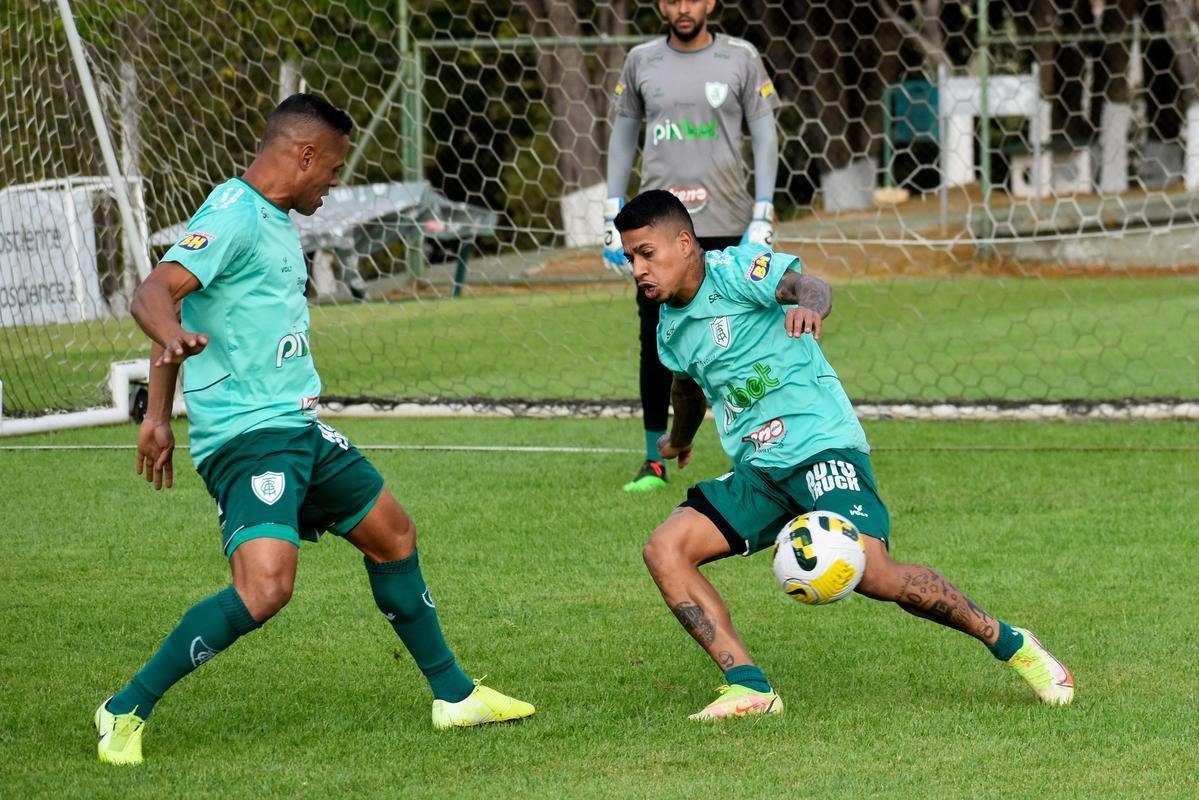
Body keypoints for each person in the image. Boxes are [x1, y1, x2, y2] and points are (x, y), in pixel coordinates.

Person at [93, 94, 534, 766]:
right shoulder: (235, 212)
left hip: (294, 424)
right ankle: (125, 707)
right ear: (303, 155)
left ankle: (453, 695)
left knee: (393, 535)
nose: (334, 183)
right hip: (248, 436)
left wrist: (158, 413)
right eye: (331, 169)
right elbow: (154, 294)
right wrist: (160, 386)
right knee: (266, 588)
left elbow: (181, 322)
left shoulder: (270, 218)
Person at [614, 189, 1075, 720]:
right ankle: (749, 687)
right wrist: (681, 439)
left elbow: (808, 284)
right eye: (629, 257)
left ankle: (1014, 643)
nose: (638, 269)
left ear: (685, 242)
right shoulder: (669, 325)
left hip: (820, 445)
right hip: (759, 471)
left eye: (647, 252)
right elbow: (688, 388)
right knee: (665, 549)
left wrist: (809, 306)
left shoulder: (736, 270)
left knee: (875, 574)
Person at [603, 0, 780, 492]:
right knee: (658, 345)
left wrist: (763, 210)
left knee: (742, 340)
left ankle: (763, 450)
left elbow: (765, 134)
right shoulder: (641, 59)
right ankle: (653, 459)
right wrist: (611, 207)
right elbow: (622, 136)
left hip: (726, 220)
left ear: (711, 3)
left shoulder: (741, 57)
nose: (682, 8)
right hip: (657, 229)